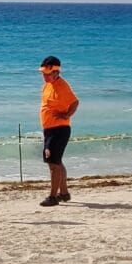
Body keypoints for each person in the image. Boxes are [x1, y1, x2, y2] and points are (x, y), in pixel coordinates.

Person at [38, 56, 79, 207]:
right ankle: (64, 193)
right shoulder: (47, 85)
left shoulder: (62, 86)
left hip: (59, 129)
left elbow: (75, 102)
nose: (44, 76)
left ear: (56, 72)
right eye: (43, 73)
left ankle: (53, 196)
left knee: (54, 163)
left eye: (47, 73)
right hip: (49, 129)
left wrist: (66, 115)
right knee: (55, 162)